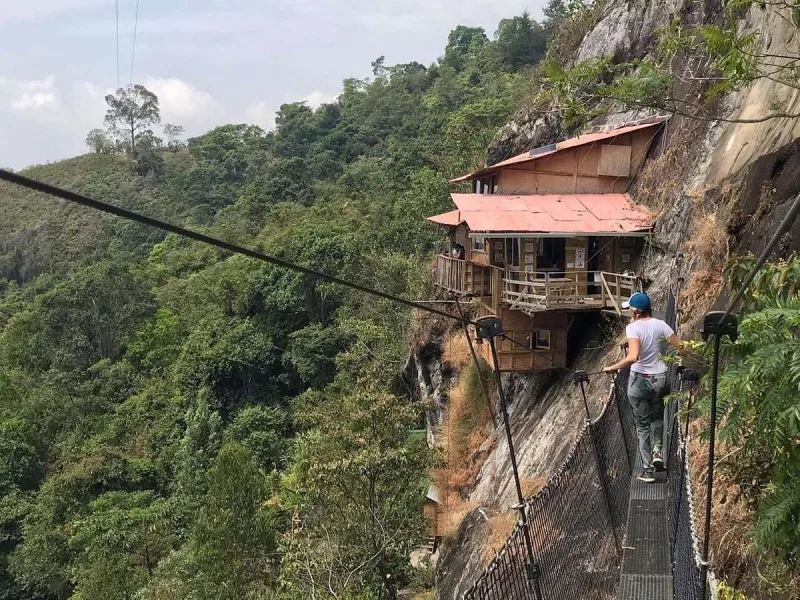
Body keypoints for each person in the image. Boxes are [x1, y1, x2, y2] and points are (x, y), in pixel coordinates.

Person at [602, 292, 682, 483]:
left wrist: (611, 368)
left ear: (636, 311)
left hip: (640, 381)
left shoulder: (633, 328)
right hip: (661, 379)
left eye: (630, 308)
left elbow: (633, 357)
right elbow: (682, 347)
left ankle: (647, 471)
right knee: (657, 418)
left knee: (642, 425)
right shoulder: (661, 325)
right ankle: (657, 452)